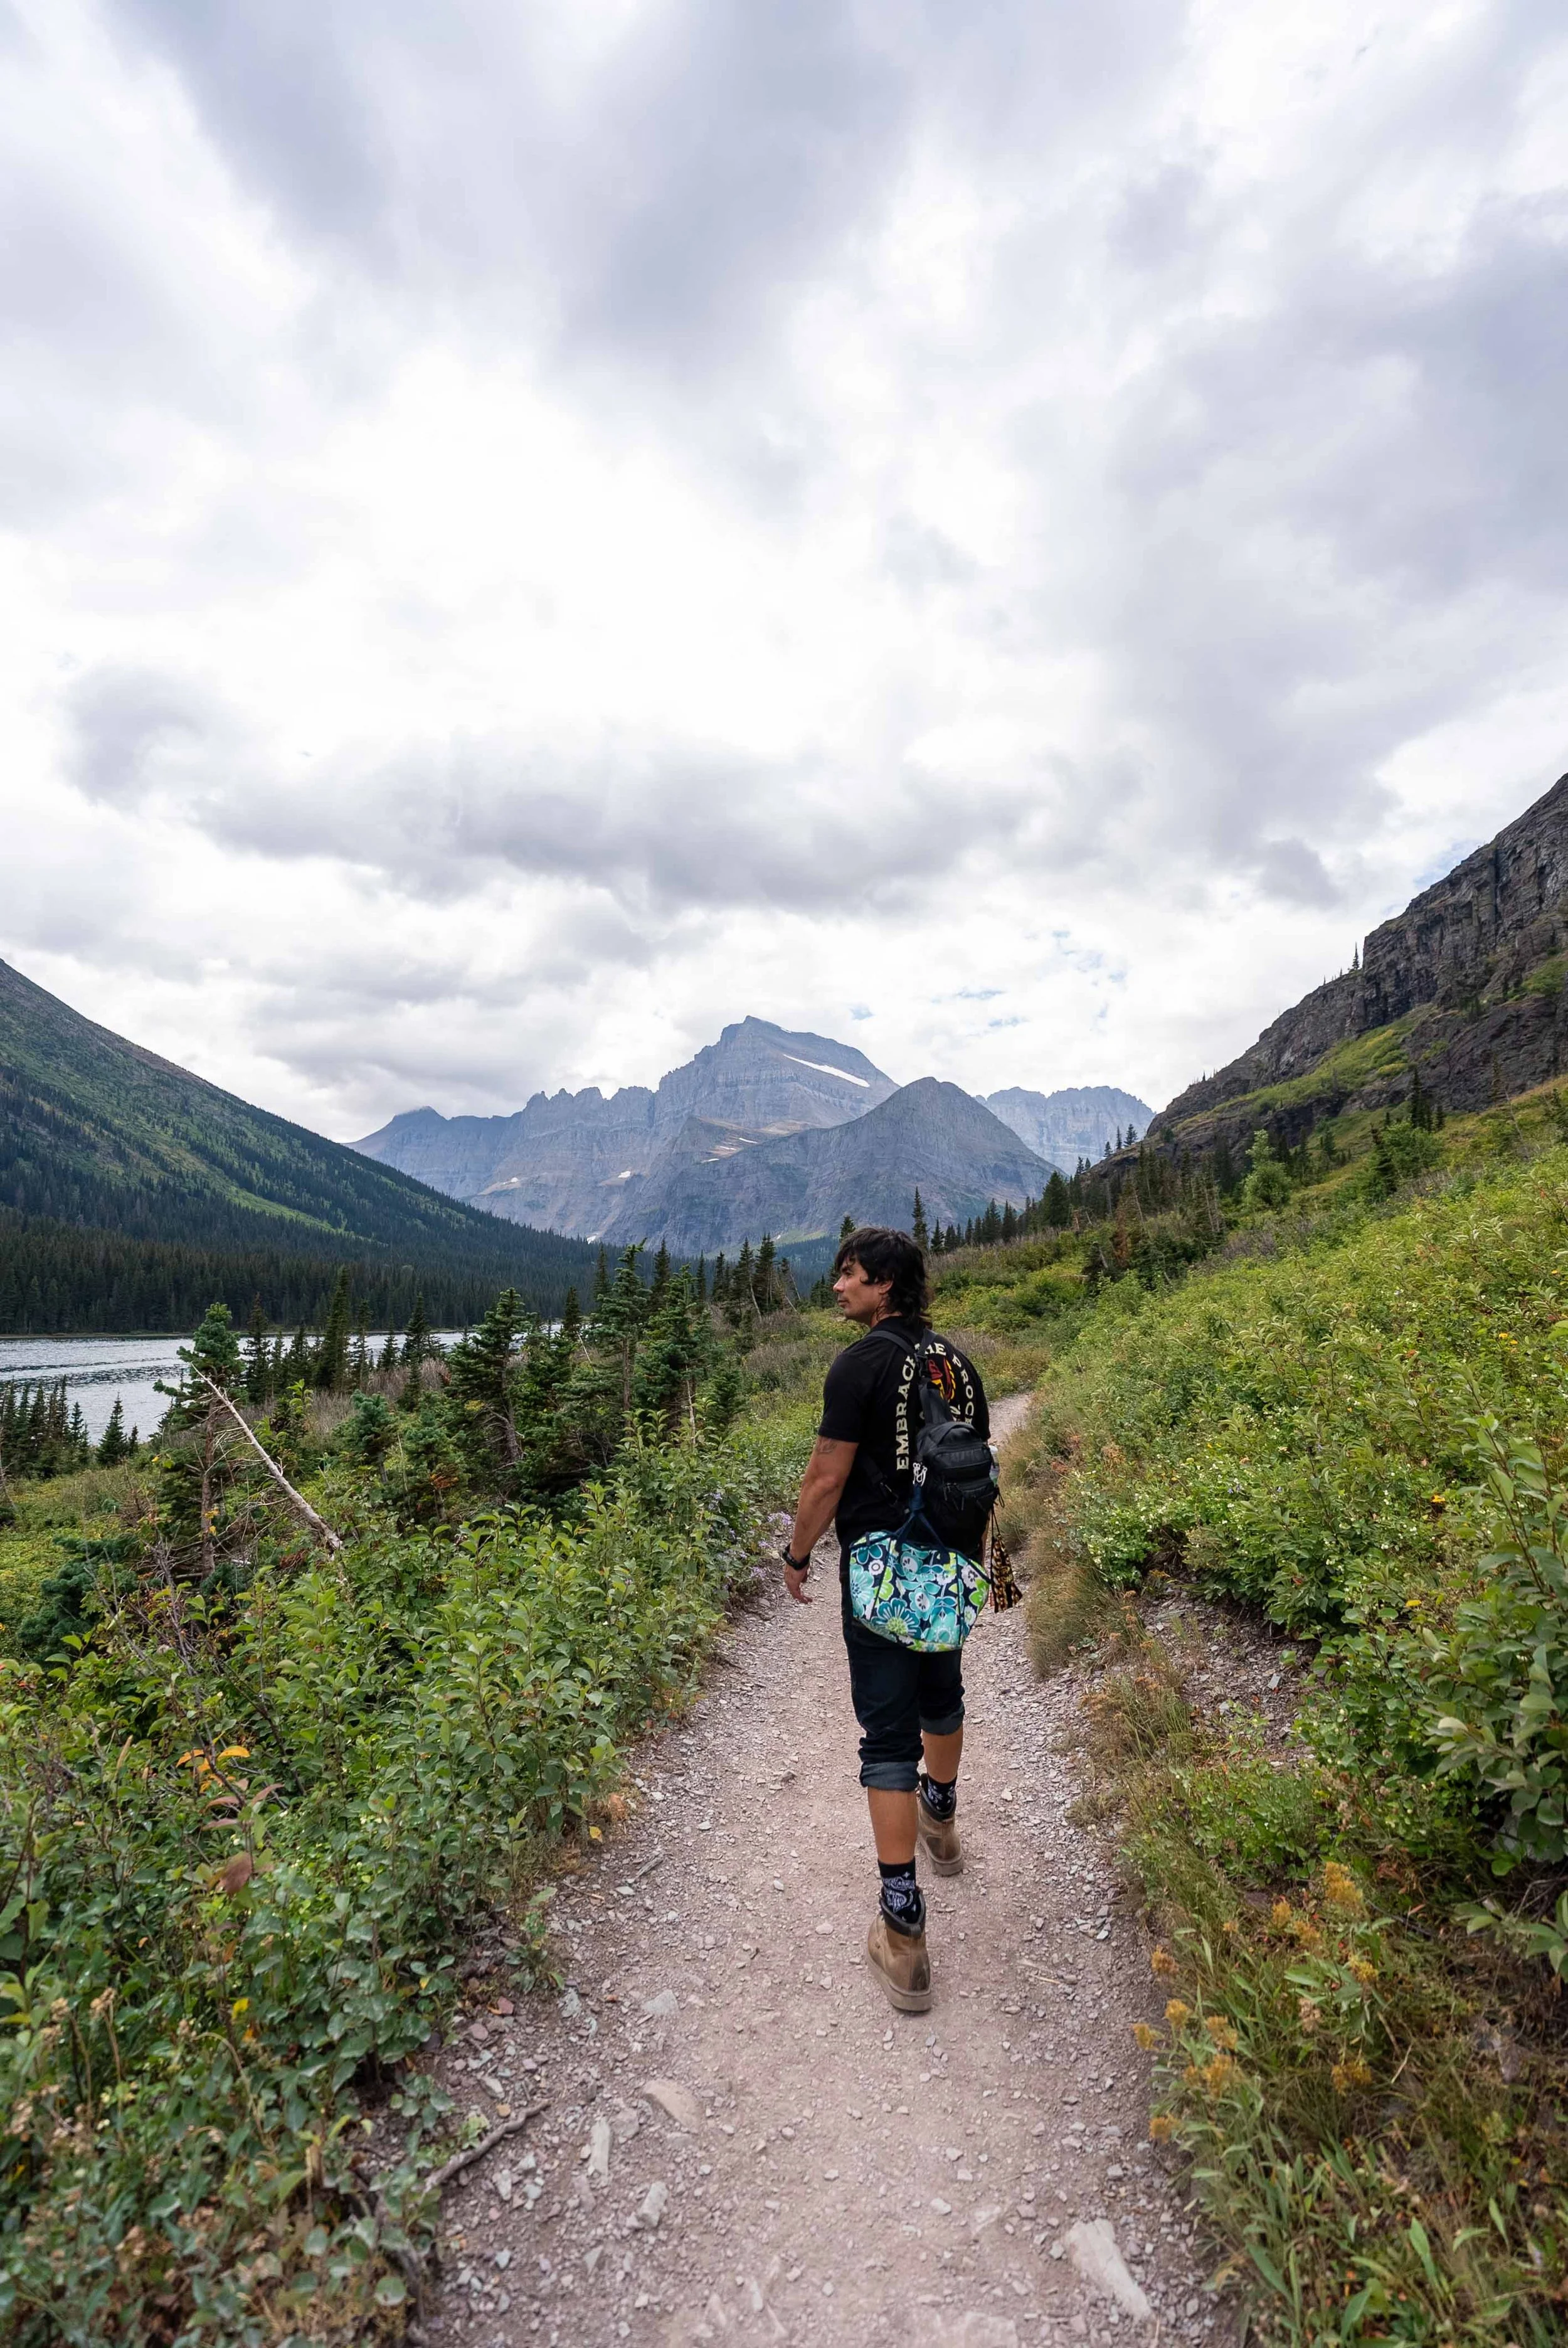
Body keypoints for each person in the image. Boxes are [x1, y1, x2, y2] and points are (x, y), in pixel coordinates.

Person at [779, 1224, 990, 2012]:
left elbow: (825, 1477)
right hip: (952, 1562)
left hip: (880, 1569)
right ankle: (942, 1815)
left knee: (886, 1735)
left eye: (851, 1274)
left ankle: (903, 1934)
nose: (838, 1285)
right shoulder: (956, 1361)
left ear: (885, 1286)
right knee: (944, 1696)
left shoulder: (858, 1362)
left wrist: (797, 1554)